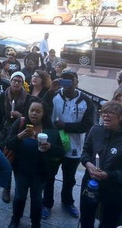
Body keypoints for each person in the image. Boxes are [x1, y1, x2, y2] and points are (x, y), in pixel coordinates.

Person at [42, 70, 95, 219]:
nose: (67, 83)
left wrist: (66, 126)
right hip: (53, 145)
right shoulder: (54, 96)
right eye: (64, 80)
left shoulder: (86, 101)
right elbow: (41, 111)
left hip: (74, 148)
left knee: (69, 179)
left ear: (77, 82)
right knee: (49, 176)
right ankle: (46, 203)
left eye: (71, 80)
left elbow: (87, 125)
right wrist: (49, 92)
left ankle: (67, 202)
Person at [6, 98, 64, 228]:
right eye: (32, 110)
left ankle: (35, 223)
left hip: (40, 172)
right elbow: (9, 143)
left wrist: (50, 147)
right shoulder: (20, 123)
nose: (34, 113)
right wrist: (20, 136)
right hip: (21, 170)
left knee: (37, 198)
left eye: (38, 111)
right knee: (20, 196)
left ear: (44, 113)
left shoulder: (50, 129)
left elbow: (61, 151)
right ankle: (15, 219)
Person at [79, 100, 122, 228]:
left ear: (121, 117)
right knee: (86, 218)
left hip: (113, 188)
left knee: (109, 222)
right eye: (104, 112)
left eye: (111, 112)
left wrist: (108, 175)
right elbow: (86, 151)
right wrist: (87, 164)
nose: (106, 115)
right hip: (90, 182)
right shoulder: (96, 130)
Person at [0, 71, 32, 204]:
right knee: (6, 160)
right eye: (14, 80)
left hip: (20, 130)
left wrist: (19, 115)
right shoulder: (3, 96)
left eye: (19, 81)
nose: (16, 83)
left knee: (18, 160)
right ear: (10, 81)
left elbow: (31, 116)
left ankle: (20, 187)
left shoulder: (27, 98)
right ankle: (6, 187)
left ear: (23, 83)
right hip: (5, 131)